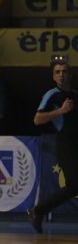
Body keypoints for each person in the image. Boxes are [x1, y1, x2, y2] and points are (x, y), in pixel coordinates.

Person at [27, 57, 78, 233]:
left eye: (64, 71)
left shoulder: (75, 95)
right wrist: (61, 111)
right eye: (58, 72)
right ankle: (38, 210)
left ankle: (38, 210)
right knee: (74, 186)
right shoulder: (51, 94)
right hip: (66, 143)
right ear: (54, 77)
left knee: (74, 187)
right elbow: (37, 119)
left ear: (70, 75)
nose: (61, 75)